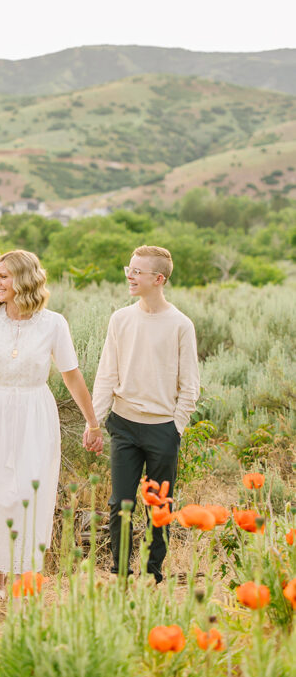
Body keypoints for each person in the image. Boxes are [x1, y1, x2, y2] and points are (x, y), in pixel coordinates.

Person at [0, 249, 103, 599]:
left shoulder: (54, 324)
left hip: (35, 413)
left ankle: (25, 572)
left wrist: (92, 422)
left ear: (24, 279)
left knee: (28, 491)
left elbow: (72, 376)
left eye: (4, 276)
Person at [91, 245, 200, 583]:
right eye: (129, 268)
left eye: (137, 271)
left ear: (159, 278)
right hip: (123, 425)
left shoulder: (180, 325)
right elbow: (107, 373)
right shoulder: (120, 319)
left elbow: (190, 385)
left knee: (160, 506)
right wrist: (95, 422)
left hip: (162, 430)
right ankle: (120, 573)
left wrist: (175, 427)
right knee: (120, 503)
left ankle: (153, 573)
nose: (130, 275)